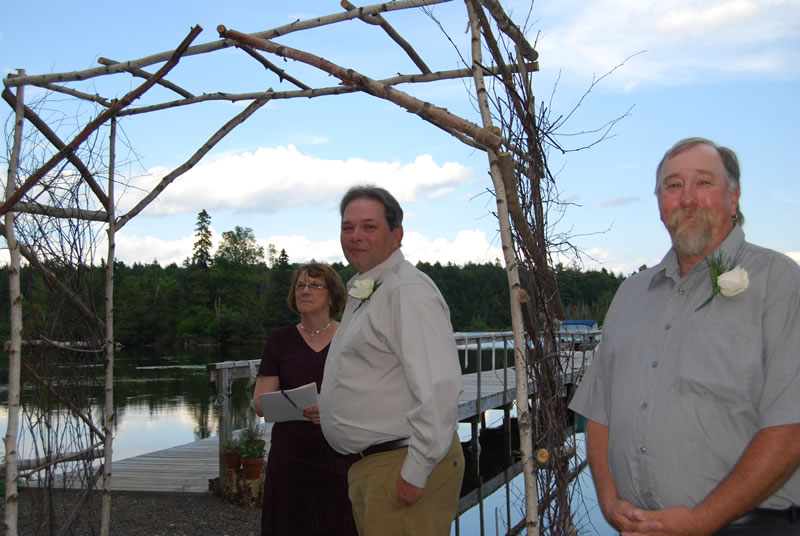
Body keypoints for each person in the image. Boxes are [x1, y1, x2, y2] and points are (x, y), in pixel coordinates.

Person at [569, 137, 800, 535]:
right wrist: (609, 504)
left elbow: (790, 428)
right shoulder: (630, 294)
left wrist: (701, 521)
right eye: (673, 186)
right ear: (660, 203)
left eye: (703, 183)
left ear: (735, 197)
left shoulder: (780, 283)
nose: (687, 199)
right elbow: (599, 412)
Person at [319, 185, 465, 535]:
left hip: (401, 464)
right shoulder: (370, 288)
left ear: (396, 235)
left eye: (369, 227)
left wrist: (416, 471)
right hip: (377, 468)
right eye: (347, 227)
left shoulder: (406, 291)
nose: (355, 236)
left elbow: (439, 388)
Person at [253, 262, 357, 536]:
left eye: (314, 285)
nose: (305, 290)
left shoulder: (350, 338)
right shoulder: (279, 340)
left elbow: (367, 395)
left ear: (331, 294)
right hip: (290, 459)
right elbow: (261, 403)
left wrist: (331, 405)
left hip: (339, 456)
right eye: (300, 285)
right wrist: (298, 403)